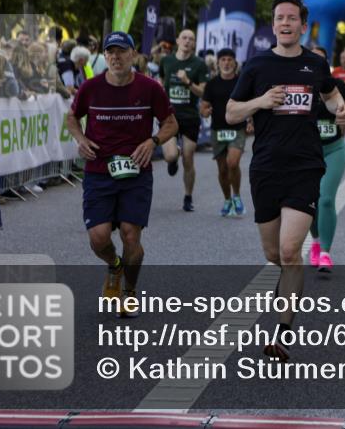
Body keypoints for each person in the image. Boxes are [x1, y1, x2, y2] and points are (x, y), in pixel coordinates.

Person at [226, 0, 345, 362]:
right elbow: (232, 113)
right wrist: (260, 102)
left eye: (292, 18)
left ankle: (281, 332)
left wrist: (339, 111)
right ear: (274, 23)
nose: (285, 23)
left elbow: (329, 96)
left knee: (289, 249)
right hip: (265, 166)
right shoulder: (257, 65)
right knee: (272, 253)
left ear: (302, 24)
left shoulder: (314, 64)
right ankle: (291, 277)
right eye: (279, 17)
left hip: (305, 166)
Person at [66, 32, 178, 317]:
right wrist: (80, 138)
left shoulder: (150, 88)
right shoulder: (90, 88)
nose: (116, 57)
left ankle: (129, 291)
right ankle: (114, 266)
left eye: (121, 51)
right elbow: (72, 117)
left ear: (133, 54)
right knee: (98, 237)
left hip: (136, 172)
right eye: (110, 52)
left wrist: (152, 141)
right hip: (98, 171)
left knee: (131, 235)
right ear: (105, 56)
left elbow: (170, 123)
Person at [307, 45, 345, 272]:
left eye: (321, 60)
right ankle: (315, 241)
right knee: (309, 201)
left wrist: (344, 114)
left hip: (334, 149)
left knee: (325, 199)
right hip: (307, 153)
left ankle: (325, 251)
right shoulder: (300, 86)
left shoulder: (337, 86)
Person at [159, 28, 209, 212]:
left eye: (191, 39)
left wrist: (188, 82)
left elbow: (203, 92)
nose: (188, 41)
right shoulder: (167, 60)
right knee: (171, 155)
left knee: (188, 158)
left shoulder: (199, 64)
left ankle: (188, 197)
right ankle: (173, 158)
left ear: (194, 43)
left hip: (190, 117)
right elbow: (162, 83)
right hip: (169, 116)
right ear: (178, 41)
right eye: (185, 38)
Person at [200, 48, 248, 217]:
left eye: (229, 60)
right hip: (218, 129)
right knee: (222, 169)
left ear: (234, 62)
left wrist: (251, 120)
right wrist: (205, 112)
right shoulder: (212, 84)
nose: (226, 63)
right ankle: (227, 199)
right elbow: (204, 106)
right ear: (218, 63)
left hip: (237, 128)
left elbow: (251, 103)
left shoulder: (242, 81)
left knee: (232, 163)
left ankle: (237, 195)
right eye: (223, 60)